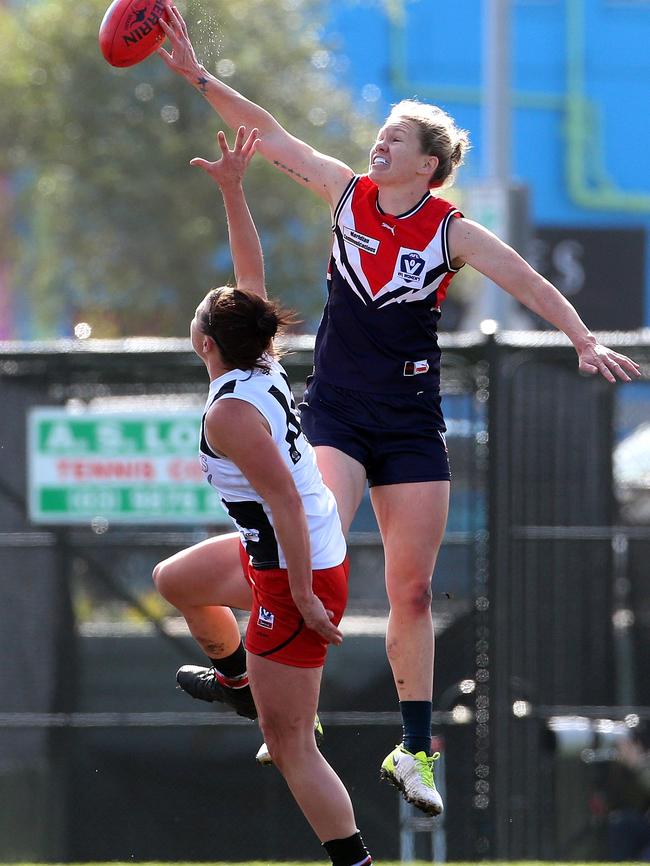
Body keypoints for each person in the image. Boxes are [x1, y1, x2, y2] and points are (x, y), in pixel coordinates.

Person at [155, 5, 641, 817]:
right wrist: (199, 75)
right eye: (379, 135)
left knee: (411, 591)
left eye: (394, 140)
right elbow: (269, 134)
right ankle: (255, 676)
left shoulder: (450, 229)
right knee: (309, 536)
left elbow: (526, 280)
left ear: (427, 166)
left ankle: (412, 749)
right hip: (339, 412)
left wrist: (581, 338)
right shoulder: (346, 196)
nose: (377, 144)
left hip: (411, 423)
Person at [153, 126, 371, 866]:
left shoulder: (230, 412)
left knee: (289, 748)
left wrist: (305, 597)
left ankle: (356, 864)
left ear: (207, 342)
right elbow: (252, 276)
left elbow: (280, 504)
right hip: (277, 552)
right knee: (175, 581)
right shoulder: (255, 363)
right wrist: (233, 188)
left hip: (293, 568)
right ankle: (239, 679)